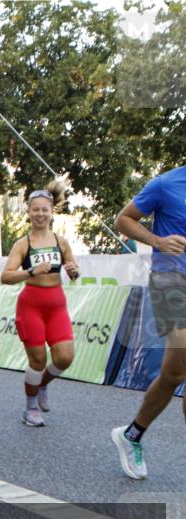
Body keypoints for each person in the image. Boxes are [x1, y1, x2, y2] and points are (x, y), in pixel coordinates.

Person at [111, 165, 186, 480]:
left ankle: (131, 434)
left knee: (173, 375)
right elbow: (123, 220)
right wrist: (158, 240)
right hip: (171, 279)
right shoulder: (166, 184)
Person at [0, 180, 80, 427]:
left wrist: (74, 271)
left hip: (56, 305)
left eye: (44, 209)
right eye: (35, 209)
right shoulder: (23, 244)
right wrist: (31, 271)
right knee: (38, 360)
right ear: (29, 212)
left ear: (51, 211)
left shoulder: (61, 241)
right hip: (31, 304)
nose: (40, 214)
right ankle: (30, 408)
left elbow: (74, 270)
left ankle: (41, 384)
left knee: (65, 357)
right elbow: (6, 276)